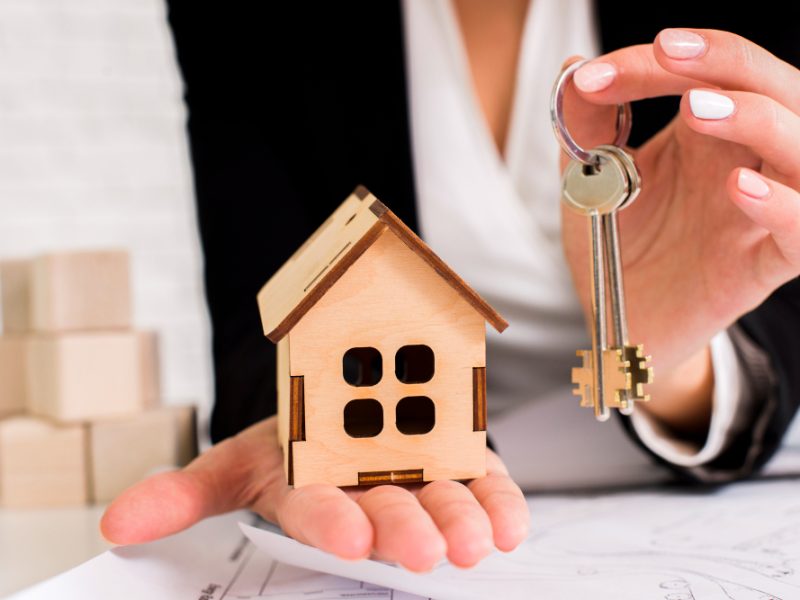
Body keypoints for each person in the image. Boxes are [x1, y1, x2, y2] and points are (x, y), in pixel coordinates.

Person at [101, 0, 800, 572]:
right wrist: (303, 422)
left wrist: (667, 358)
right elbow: (263, 318)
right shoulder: (253, 22)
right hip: (429, 490)